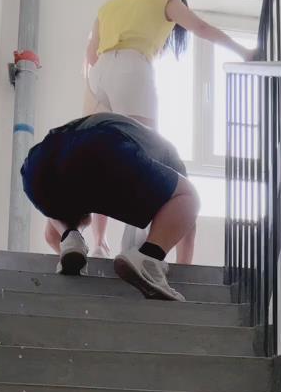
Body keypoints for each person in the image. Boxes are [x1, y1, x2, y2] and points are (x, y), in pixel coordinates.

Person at [42, 0, 253, 265]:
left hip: (98, 75)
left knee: (98, 156)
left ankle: (100, 242)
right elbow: (201, 28)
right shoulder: (165, 0)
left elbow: (91, 54)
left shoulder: (109, 7)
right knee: (144, 153)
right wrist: (244, 52)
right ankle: (135, 246)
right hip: (132, 68)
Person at [22, 113, 198, 302]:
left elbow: (50, 235)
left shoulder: (116, 128)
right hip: (102, 148)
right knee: (189, 196)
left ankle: (70, 237)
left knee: (63, 206)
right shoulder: (168, 154)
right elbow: (186, 220)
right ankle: (149, 259)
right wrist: (183, 273)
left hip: (37, 165)